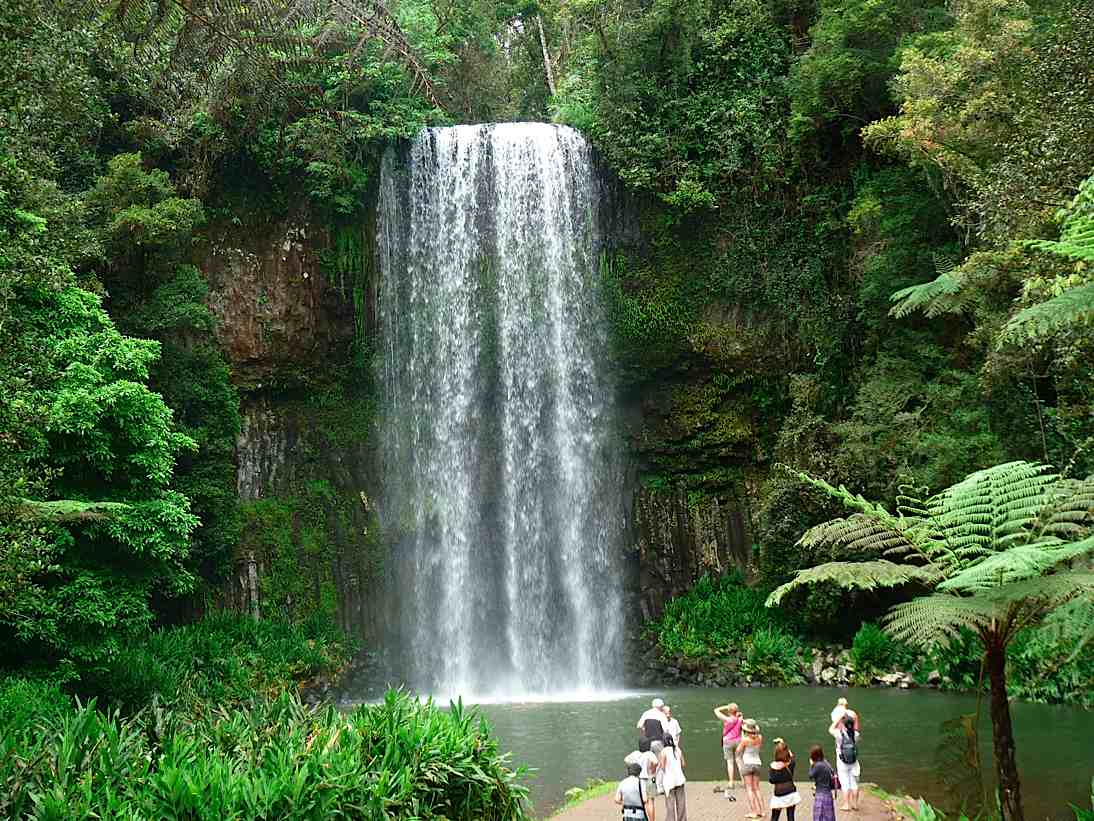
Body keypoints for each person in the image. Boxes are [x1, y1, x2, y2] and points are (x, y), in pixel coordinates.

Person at [829, 714, 861, 811]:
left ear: (843, 724)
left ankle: (847, 804)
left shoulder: (839, 734)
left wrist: (839, 718)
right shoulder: (856, 735)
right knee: (854, 784)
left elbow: (830, 728)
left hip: (842, 762)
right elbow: (856, 729)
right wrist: (855, 719)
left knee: (845, 784)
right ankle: (855, 804)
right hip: (854, 762)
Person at [736, 718, 765, 819]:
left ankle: (753, 811)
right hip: (757, 763)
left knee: (749, 788)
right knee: (757, 788)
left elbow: (738, 751)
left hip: (747, 763)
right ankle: (762, 811)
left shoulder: (745, 740)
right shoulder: (760, 737)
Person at [714, 702, 743, 797]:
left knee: (730, 762)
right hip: (738, 740)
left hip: (728, 741)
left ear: (729, 711)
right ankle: (744, 781)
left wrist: (726, 707)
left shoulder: (728, 719)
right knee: (739, 760)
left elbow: (716, 710)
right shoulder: (740, 718)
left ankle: (731, 782)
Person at [768, 739, 801, 821]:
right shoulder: (791, 763)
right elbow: (790, 754)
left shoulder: (773, 767)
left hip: (779, 793)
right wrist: (783, 743)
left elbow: (771, 780)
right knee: (790, 817)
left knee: (775, 817)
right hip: (791, 791)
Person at [658, 732, 688, 821]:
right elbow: (683, 764)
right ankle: (682, 819)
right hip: (680, 779)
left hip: (669, 781)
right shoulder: (678, 749)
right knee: (681, 802)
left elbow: (663, 767)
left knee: (670, 803)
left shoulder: (663, 752)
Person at [808, 745, 837, 821]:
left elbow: (810, 775)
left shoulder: (818, 765)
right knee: (829, 816)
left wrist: (811, 765)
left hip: (821, 794)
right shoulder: (826, 763)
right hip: (828, 792)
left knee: (819, 816)